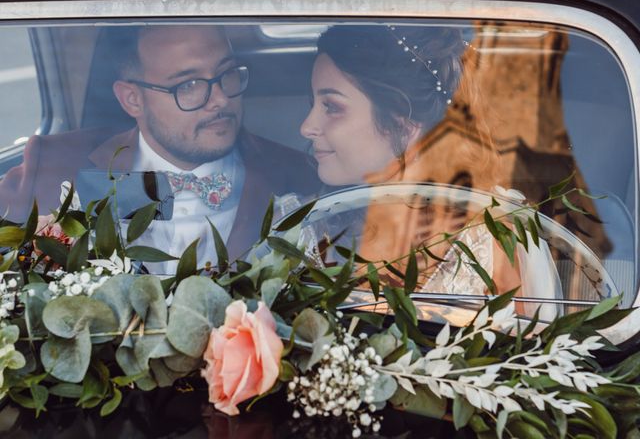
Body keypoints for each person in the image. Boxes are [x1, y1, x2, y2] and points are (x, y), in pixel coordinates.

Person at [0, 25, 319, 271]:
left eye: (226, 74)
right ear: (132, 99)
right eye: (189, 85)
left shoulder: (299, 176)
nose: (220, 99)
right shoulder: (54, 164)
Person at [299, 25, 562, 318]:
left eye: (331, 107)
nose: (306, 127)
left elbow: (530, 351)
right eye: (313, 104)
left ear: (404, 123)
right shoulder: (299, 228)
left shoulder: (493, 235)